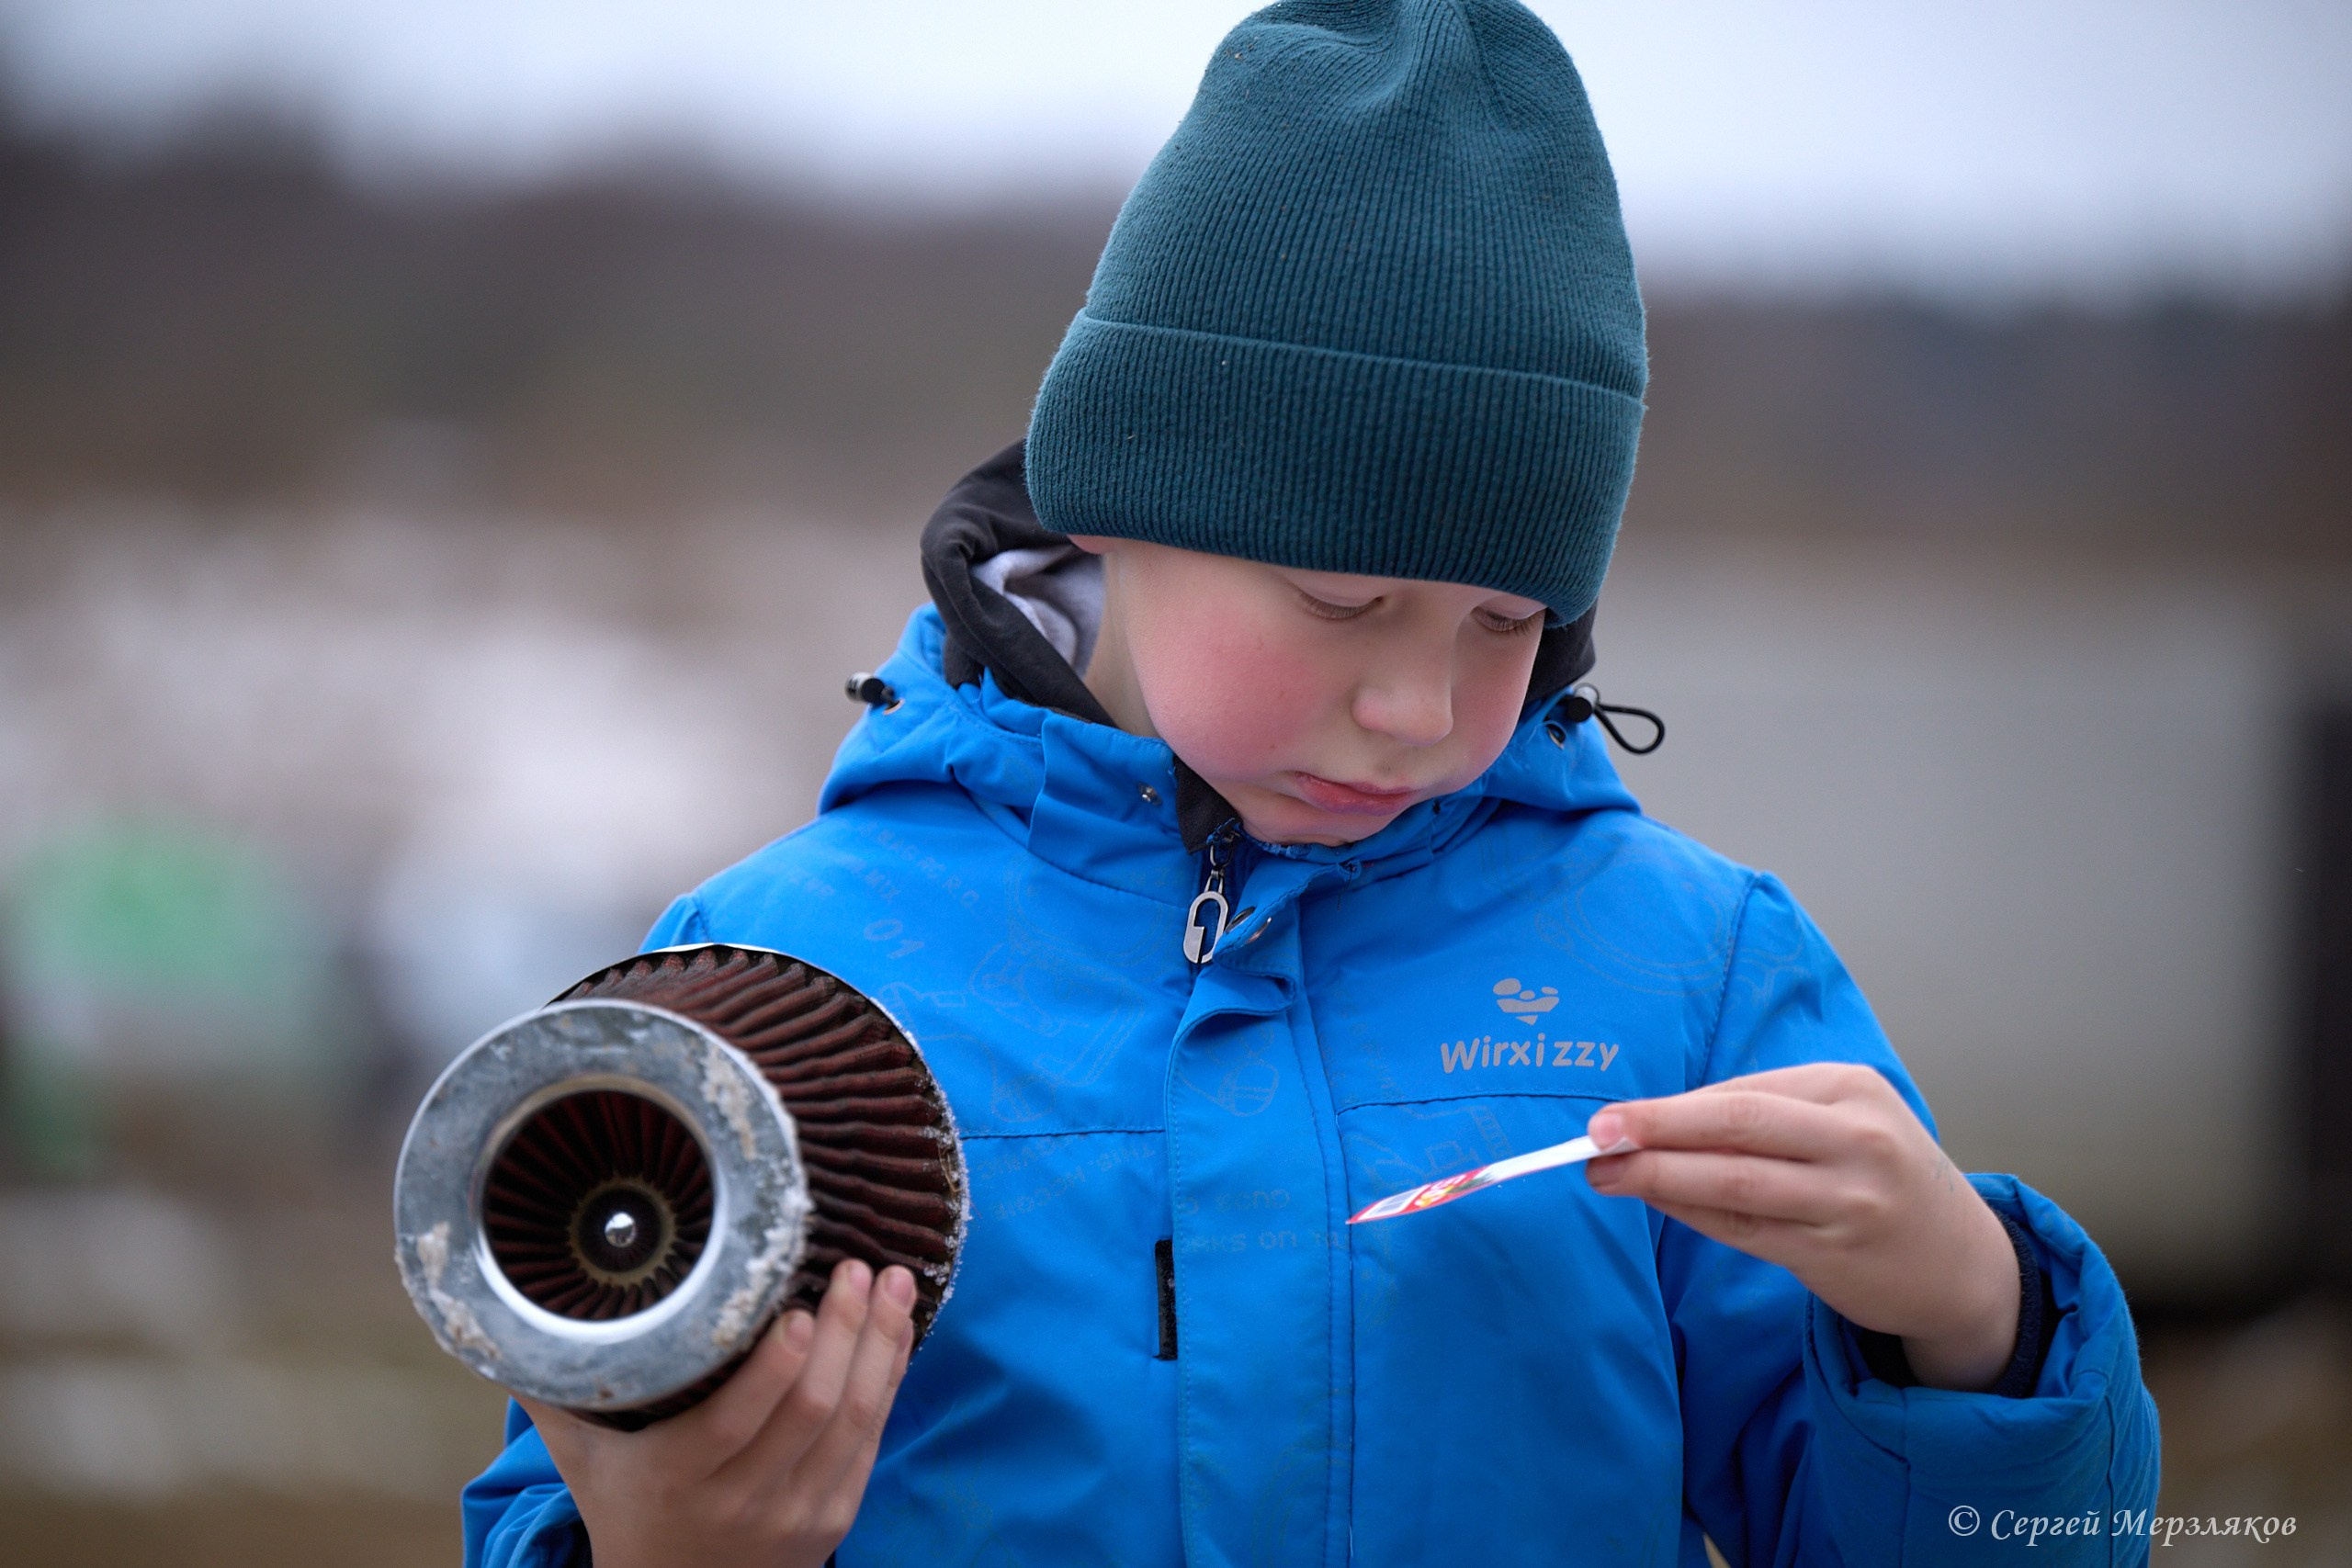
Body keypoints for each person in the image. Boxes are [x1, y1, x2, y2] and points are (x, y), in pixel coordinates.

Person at [463, 3, 2160, 1563]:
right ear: (1112, 500)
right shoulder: (782, 981)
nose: (1419, 703)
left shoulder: (1691, 978)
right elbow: (549, 1479)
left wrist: (1967, 1322)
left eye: (1508, 617)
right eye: (1341, 600)